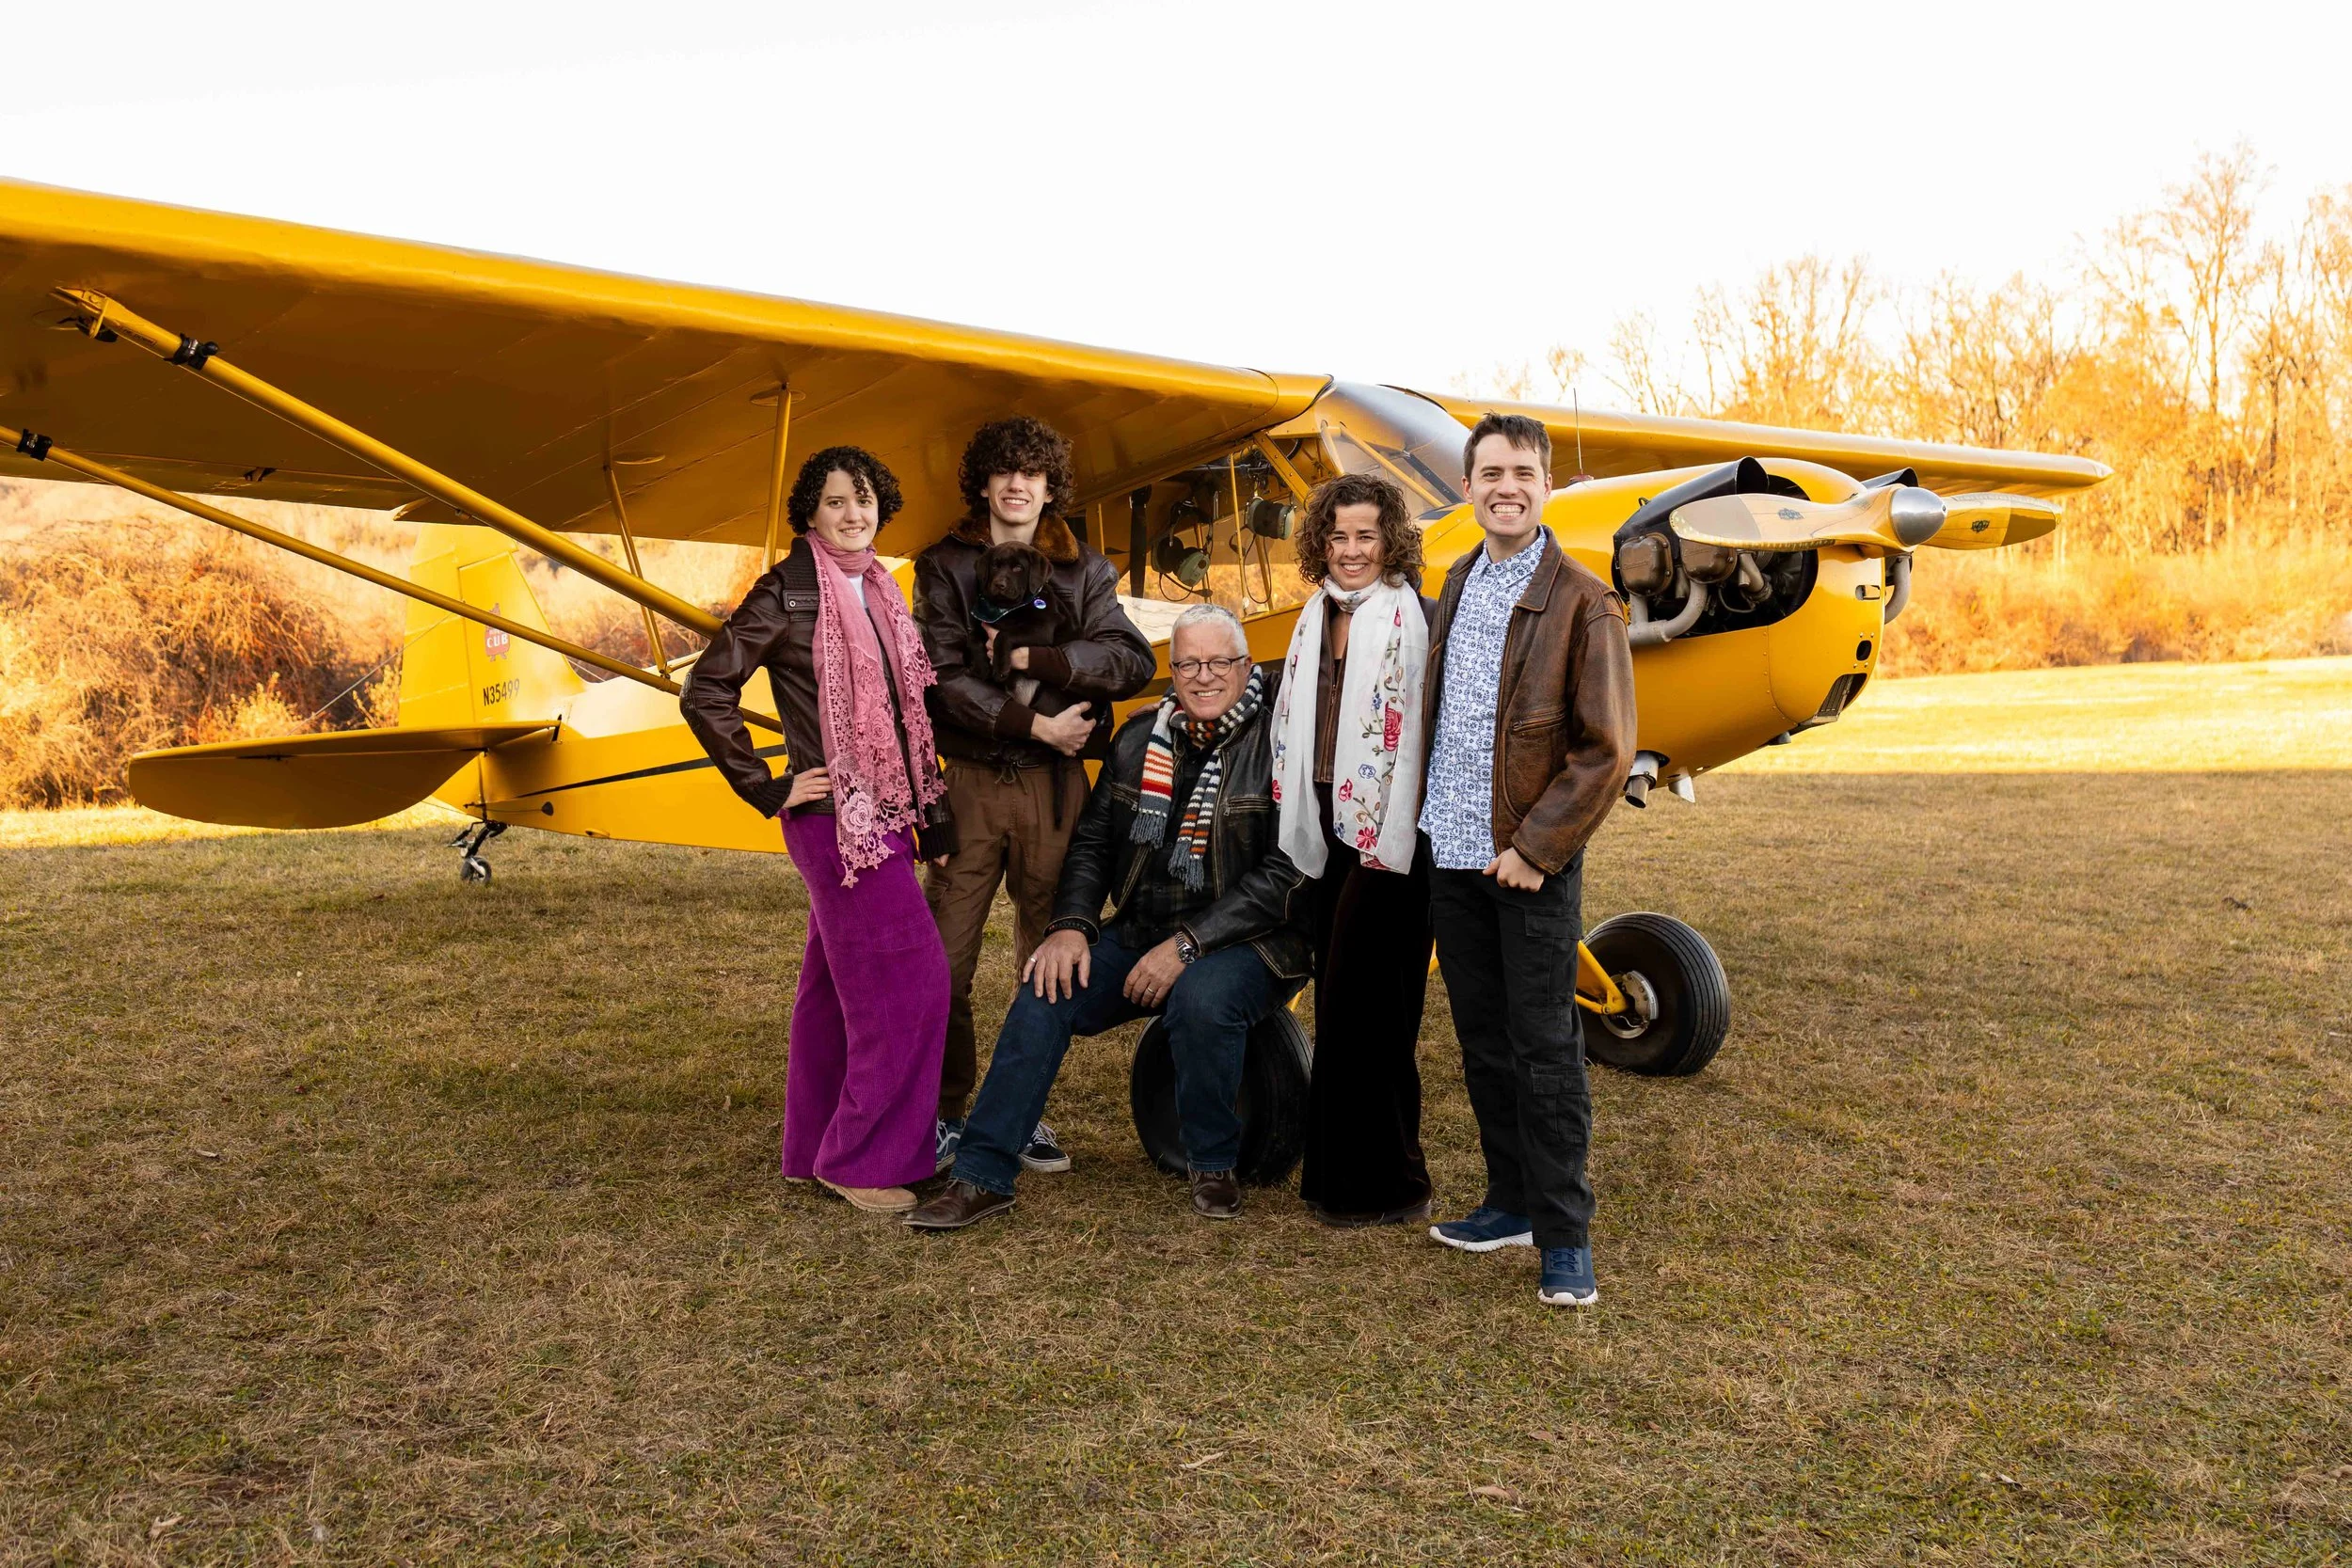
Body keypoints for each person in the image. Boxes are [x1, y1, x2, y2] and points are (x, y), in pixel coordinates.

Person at [907, 605, 1311, 1230]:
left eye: (1219, 662)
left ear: (1245, 665)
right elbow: (1093, 843)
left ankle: (1212, 1161)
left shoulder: (1282, 744)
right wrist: (1071, 925)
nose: (1204, 676)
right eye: (1188, 664)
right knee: (1044, 986)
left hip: (1252, 940)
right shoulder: (1135, 740)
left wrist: (1189, 943)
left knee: (1201, 999)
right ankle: (982, 1174)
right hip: (1145, 929)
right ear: (1172, 671)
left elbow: (1287, 872)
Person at [682, 446, 954, 1215]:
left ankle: (810, 1148)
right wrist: (767, 783)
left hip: (890, 809)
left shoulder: (881, 589)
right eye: (835, 501)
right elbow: (707, 690)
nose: (852, 514)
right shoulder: (787, 590)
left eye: (864, 499)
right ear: (810, 512)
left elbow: (908, 714)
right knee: (914, 983)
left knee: (833, 991)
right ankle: (862, 1161)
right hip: (838, 818)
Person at [1417, 412, 1636, 1307]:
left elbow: (1607, 749)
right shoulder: (1456, 584)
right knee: (1482, 1041)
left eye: (1522, 473)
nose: (1505, 487)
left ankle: (1563, 1233)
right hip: (1451, 851)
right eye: (1489, 473)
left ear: (1546, 487)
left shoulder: (1587, 602)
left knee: (1547, 1046)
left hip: (1528, 861)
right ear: (1468, 489)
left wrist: (1537, 850)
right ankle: (1508, 1198)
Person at [914, 417, 1155, 1178]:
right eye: (1003, 473)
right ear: (983, 483)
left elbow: (1128, 658)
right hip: (976, 777)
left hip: (1056, 792)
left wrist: (1037, 656)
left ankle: (1020, 1113)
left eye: (1033, 473)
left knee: (1046, 958)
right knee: (941, 961)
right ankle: (948, 1112)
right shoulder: (942, 565)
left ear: (1051, 486)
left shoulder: (1084, 568)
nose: (1018, 486)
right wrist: (1035, 722)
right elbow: (940, 678)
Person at [1267, 472, 1438, 1227]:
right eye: (1338, 536)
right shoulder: (1315, 617)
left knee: (1370, 1008)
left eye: (1366, 535)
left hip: (1393, 836)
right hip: (1332, 828)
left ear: (1390, 538)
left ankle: (1390, 1184)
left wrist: (1388, 832)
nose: (1351, 550)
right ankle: (1345, 1179)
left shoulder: (1412, 618)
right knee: (1343, 1002)